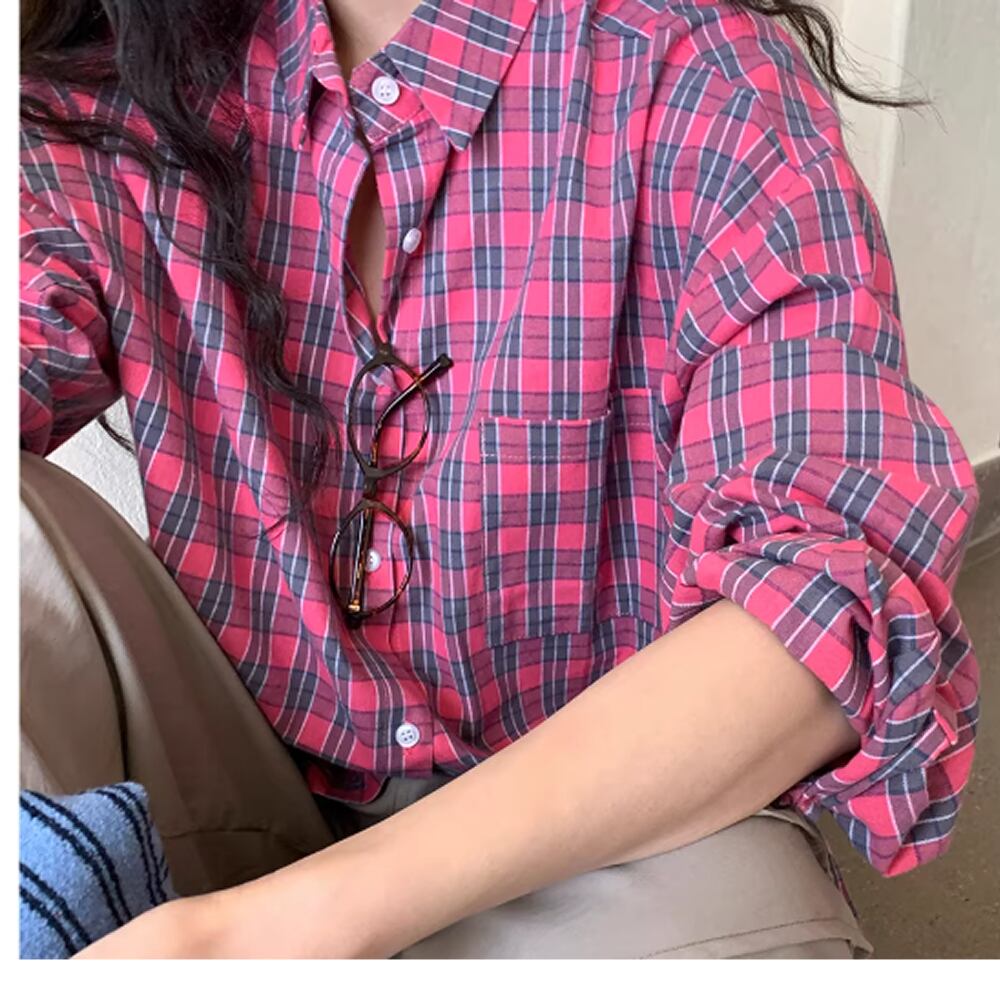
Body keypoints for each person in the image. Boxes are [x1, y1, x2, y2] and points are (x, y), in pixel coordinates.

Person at [18, 0, 980, 959]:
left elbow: (824, 603)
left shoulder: (702, 76)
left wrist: (272, 929)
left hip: (598, 817)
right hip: (242, 760)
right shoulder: (120, 78)